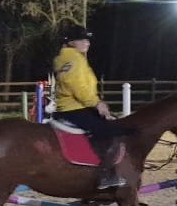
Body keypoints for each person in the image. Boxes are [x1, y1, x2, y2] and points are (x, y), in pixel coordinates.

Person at [50, 25, 132, 190]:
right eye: (82, 39)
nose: (87, 42)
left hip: (76, 106)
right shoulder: (73, 60)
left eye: (87, 39)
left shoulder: (70, 58)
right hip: (73, 108)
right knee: (107, 131)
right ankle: (105, 174)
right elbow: (77, 86)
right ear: (70, 41)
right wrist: (96, 103)